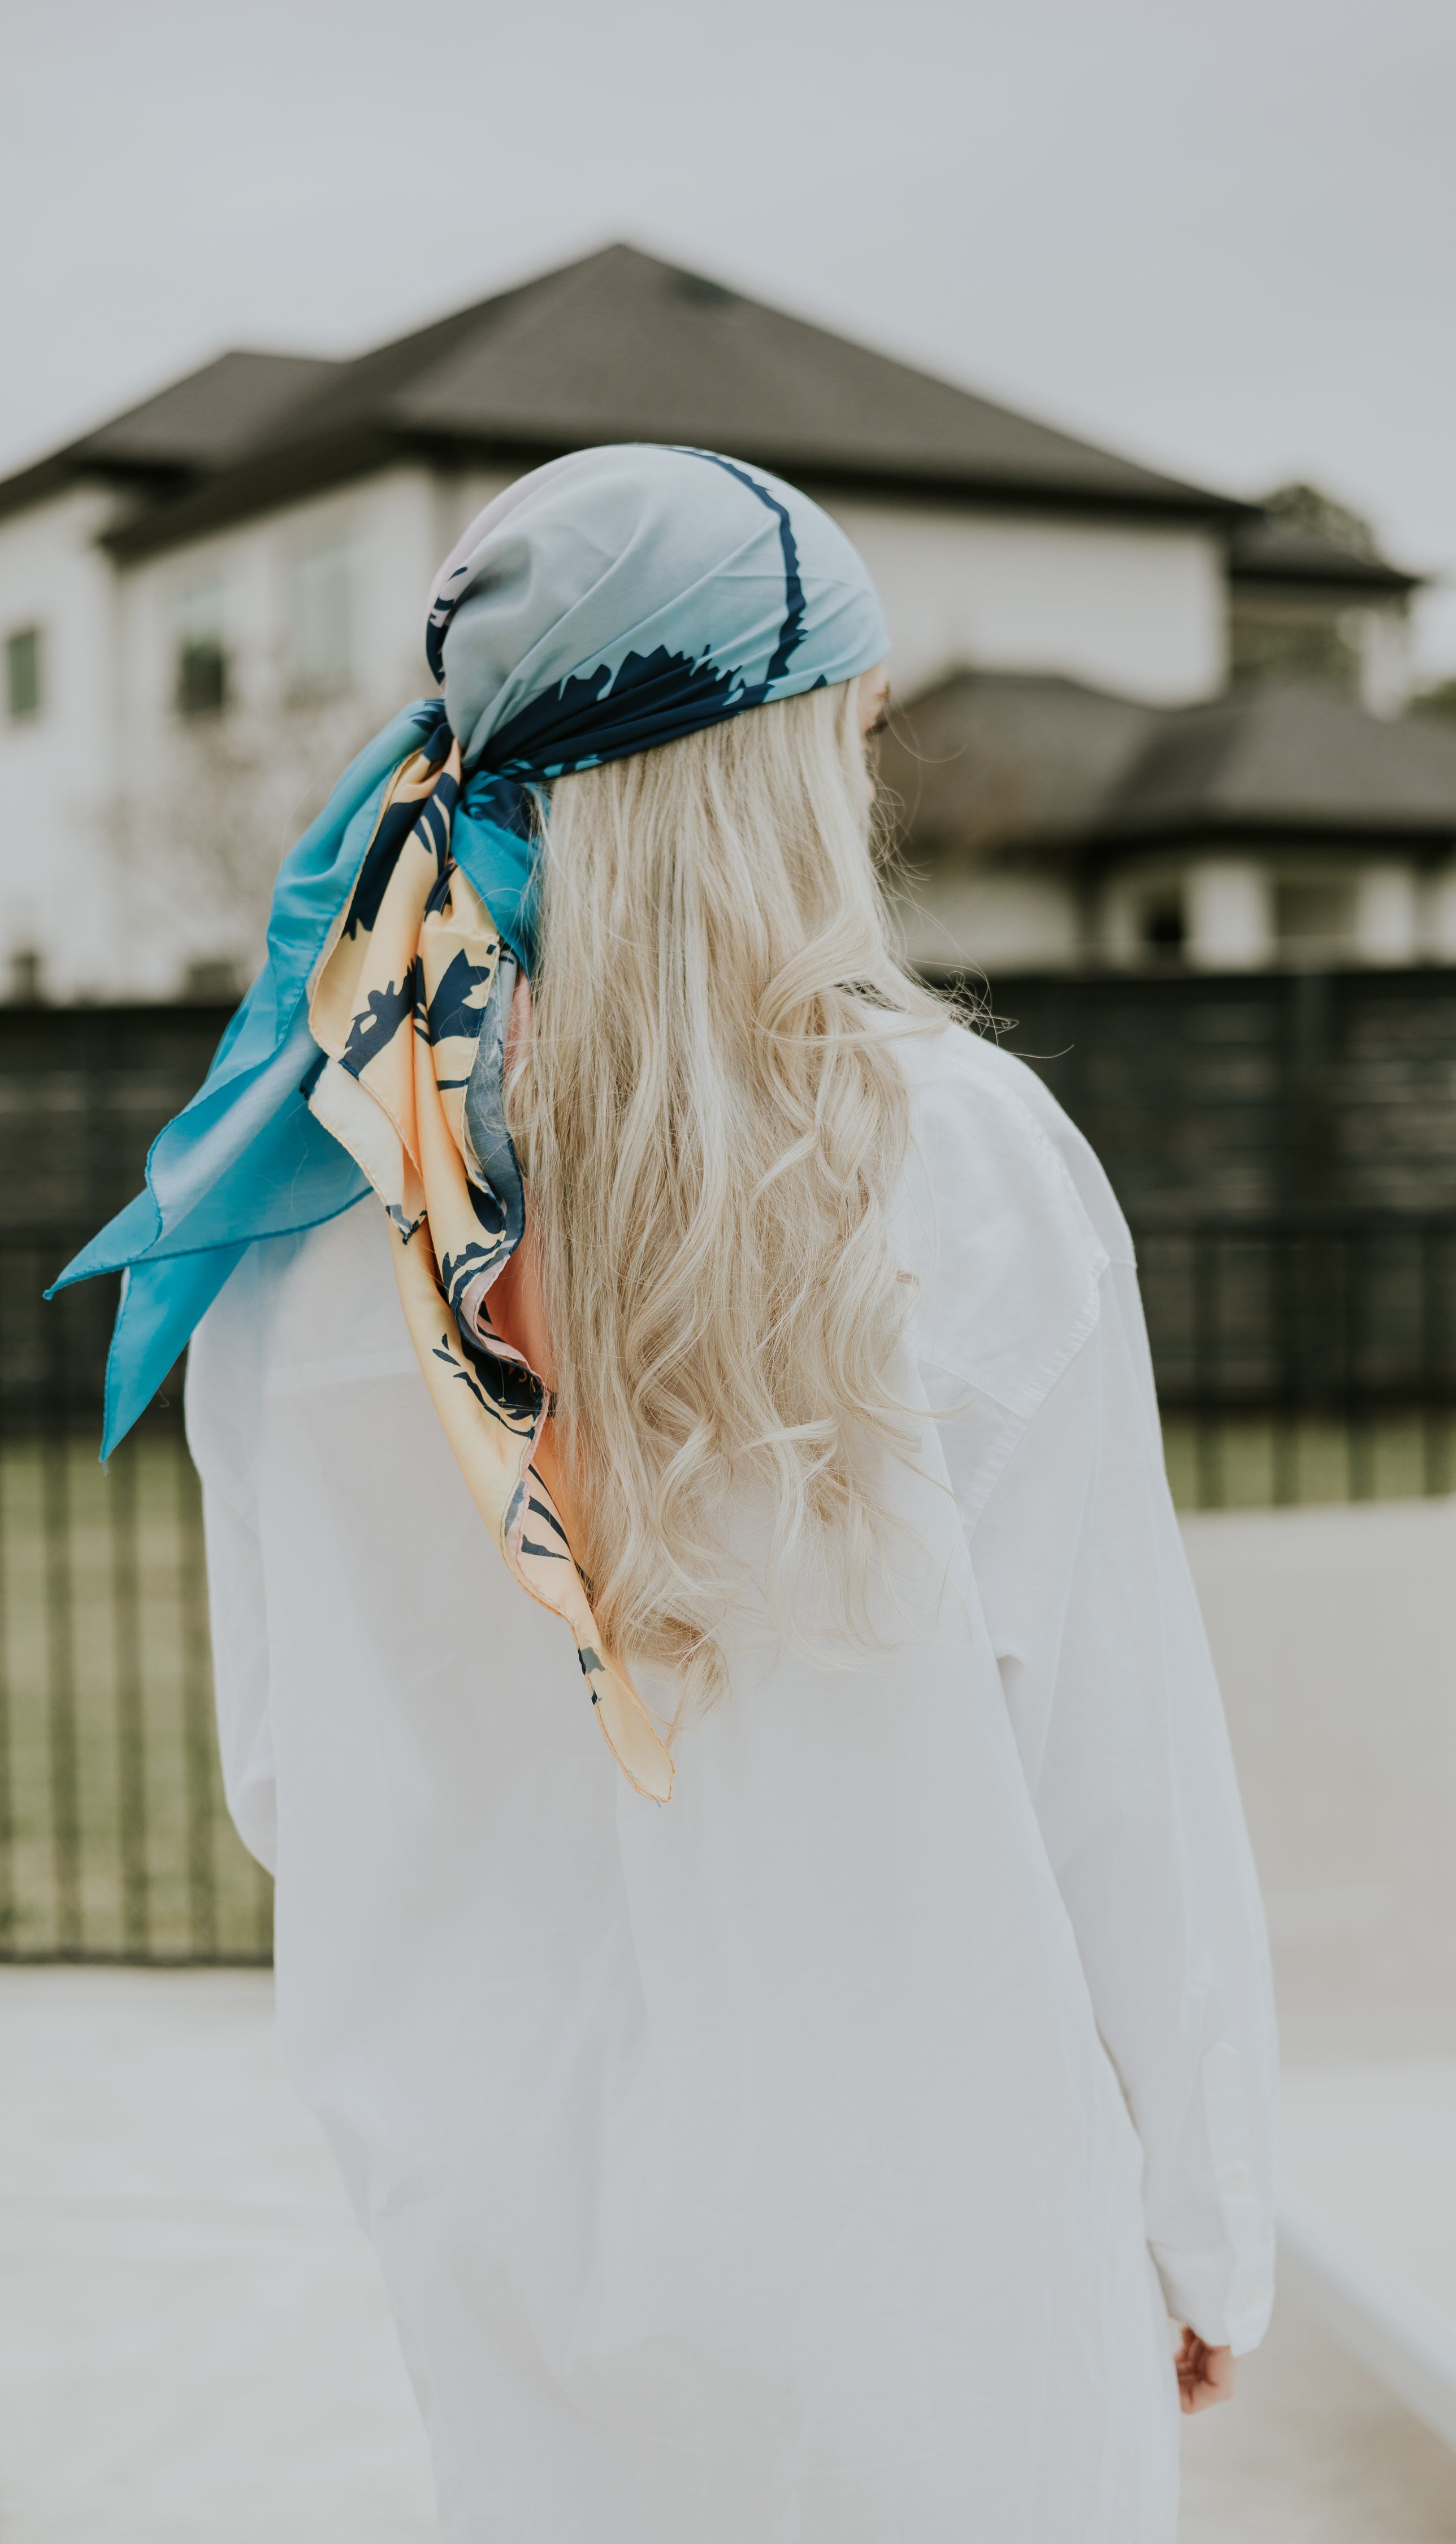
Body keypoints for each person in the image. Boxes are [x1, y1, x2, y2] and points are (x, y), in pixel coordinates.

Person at [58, 445, 1275, 2543]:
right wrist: (1205, 2216)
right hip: (935, 2258)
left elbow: (291, 1786)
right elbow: (1116, 1770)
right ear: (769, 765)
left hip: (521, 2254)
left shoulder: (286, 1233)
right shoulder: (947, 1167)